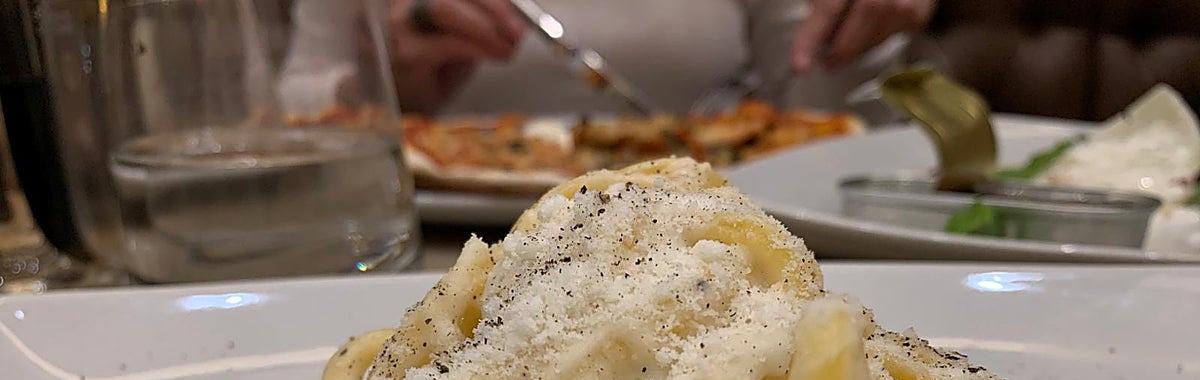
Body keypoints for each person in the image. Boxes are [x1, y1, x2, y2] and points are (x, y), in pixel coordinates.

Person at [280, 0, 936, 117]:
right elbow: (285, 110)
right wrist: (377, 92)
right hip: (432, 249)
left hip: (706, 233)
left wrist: (860, 34)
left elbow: (818, 129)